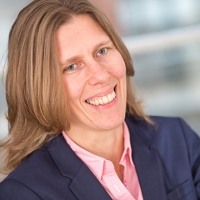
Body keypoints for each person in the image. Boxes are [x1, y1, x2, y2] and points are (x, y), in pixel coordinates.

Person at [0, 0, 199, 199]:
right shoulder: (25, 193)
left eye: (102, 51)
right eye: (71, 66)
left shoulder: (176, 139)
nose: (101, 76)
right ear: (40, 88)